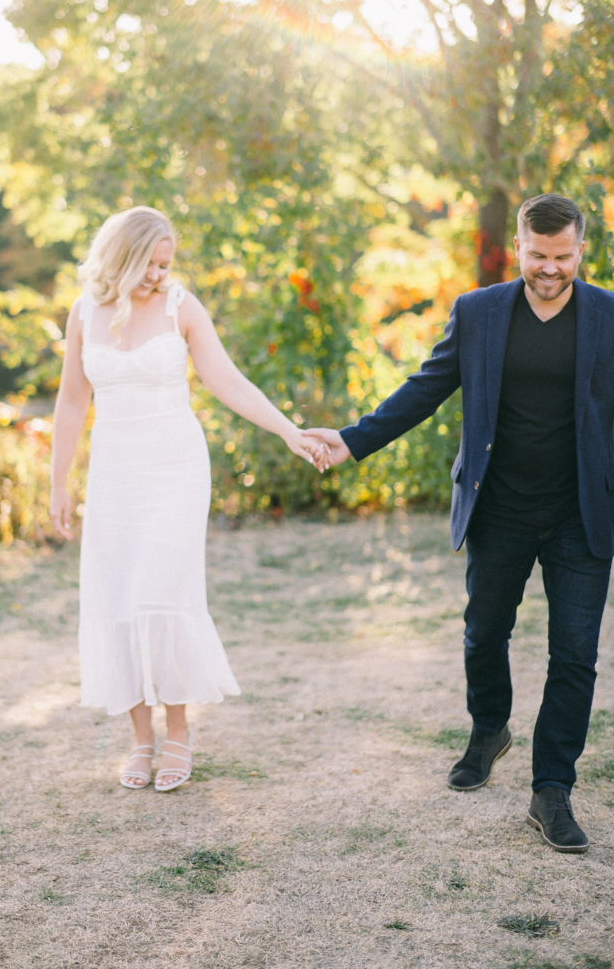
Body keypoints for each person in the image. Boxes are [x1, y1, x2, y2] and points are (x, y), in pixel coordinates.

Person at [308, 193, 614, 853]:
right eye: (538, 256)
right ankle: (488, 729)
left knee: (575, 655)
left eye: (564, 257)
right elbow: (426, 387)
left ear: (581, 251)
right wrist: (352, 439)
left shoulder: (608, 316)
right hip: (498, 507)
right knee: (483, 634)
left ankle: (552, 789)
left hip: (580, 514)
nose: (551, 269)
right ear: (520, 247)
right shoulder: (478, 314)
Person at [50, 206, 319, 792]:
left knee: (164, 591)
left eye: (166, 264)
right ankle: (140, 741)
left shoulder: (180, 306)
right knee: (118, 594)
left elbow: (226, 380)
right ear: (121, 256)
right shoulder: (83, 313)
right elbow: (72, 401)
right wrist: (57, 482)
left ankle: (179, 732)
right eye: (150, 264)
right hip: (114, 473)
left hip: (175, 469)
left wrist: (287, 431)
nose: (158, 276)